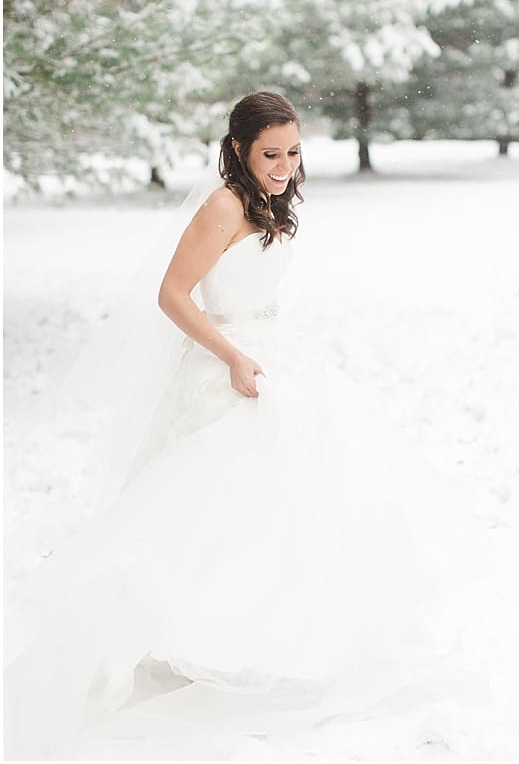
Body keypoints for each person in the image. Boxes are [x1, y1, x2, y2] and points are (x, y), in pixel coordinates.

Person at [5, 92, 441, 759]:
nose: (285, 166)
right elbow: (172, 294)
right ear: (238, 149)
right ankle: (169, 641)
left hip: (274, 356)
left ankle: (271, 642)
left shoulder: (270, 202)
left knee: (290, 505)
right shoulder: (223, 206)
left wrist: (269, 347)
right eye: (271, 154)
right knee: (207, 507)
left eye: (293, 152)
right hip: (226, 367)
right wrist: (233, 355)